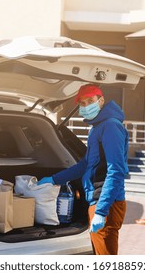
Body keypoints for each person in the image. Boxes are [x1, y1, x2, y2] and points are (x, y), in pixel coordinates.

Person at [38, 83, 129, 255]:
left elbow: (116, 171)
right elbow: (85, 164)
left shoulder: (110, 126)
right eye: (82, 103)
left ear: (101, 100)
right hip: (97, 199)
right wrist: (54, 179)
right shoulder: (96, 128)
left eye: (90, 101)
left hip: (106, 202)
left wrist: (101, 211)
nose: (86, 106)